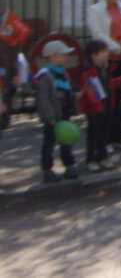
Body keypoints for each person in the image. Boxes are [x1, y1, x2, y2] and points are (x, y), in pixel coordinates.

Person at [86, 0, 121, 152]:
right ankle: (104, 141)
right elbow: (98, 34)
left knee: (120, 100)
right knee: (106, 101)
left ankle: (117, 138)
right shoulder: (95, 10)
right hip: (107, 61)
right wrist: (116, 48)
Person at [78, 39, 121, 171]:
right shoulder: (89, 71)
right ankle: (92, 159)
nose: (107, 54)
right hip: (95, 109)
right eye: (103, 52)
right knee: (94, 134)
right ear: (94, 55)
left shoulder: (105, 69)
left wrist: (120, 81)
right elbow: (91, 91)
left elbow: (107, 85)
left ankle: (102, 157)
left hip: (107, 106)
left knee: (105, 133)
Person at [35, 41, 80, 183]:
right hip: (53, 115)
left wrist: (74, 98)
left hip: (64, 112)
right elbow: (43, 98)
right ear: (53, 56)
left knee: (66, 139)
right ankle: (47, 169)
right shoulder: (45, 75)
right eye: (63, 54)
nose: (66, 56)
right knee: (49, 141)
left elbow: (66, 91)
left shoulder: (63, 73)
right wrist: (49, 116)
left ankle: (69, 165)